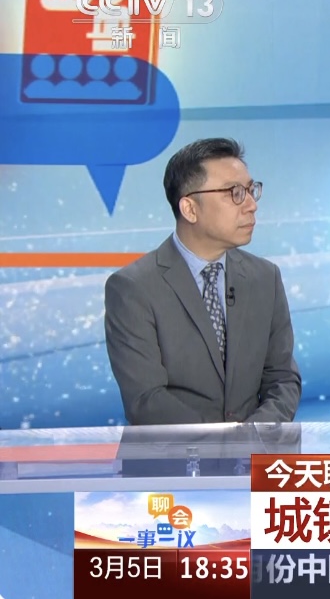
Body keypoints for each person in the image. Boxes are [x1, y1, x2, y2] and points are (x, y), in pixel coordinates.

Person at [104, 138, 302, 426]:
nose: (251, 205)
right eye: (234, 193)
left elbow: (282, 379)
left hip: (252, 450)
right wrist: (220, 443)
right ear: (189, 209)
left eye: (251, 190)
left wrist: (252, 435)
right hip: (175, 454)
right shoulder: (133, 288)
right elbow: (145, 400)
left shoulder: (265, 277)